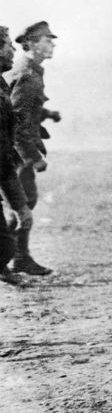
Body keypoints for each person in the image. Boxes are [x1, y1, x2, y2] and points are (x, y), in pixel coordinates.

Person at [9, 21, 61, 275]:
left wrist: (47, 113)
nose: (51, 44)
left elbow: (25, 109)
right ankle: (16, 258)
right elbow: (16, 121)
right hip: (17, 152)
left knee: (23, 202)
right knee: (22, 203)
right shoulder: (27, 74)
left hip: (18, 150)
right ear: (31, 43)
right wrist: (33, 157)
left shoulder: (32, 71)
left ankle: (18, 257)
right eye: (46, 40)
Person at [0, 27, 32, 285]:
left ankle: (6, 268)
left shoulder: (1, 84)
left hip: (4, 165)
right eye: (8, 45)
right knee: (3, 242)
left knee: (7, 240)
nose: (13, 50)